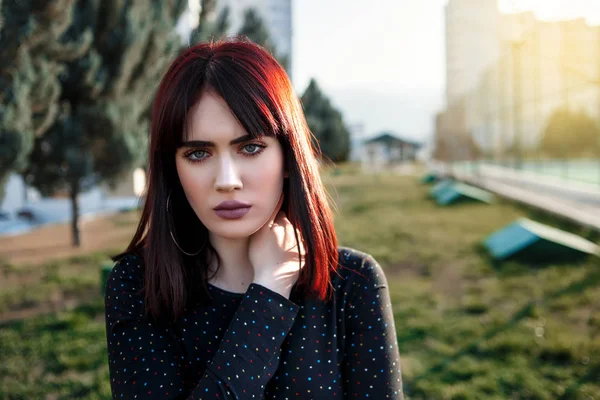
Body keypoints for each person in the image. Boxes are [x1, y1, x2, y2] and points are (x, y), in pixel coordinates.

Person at [104, 37, 404, 399]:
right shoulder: (138, 286)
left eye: (250, 148)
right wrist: (269, 293)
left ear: (288, 158)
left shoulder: (353, 284)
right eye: (198, 153)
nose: (227, 181)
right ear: (173, 167)